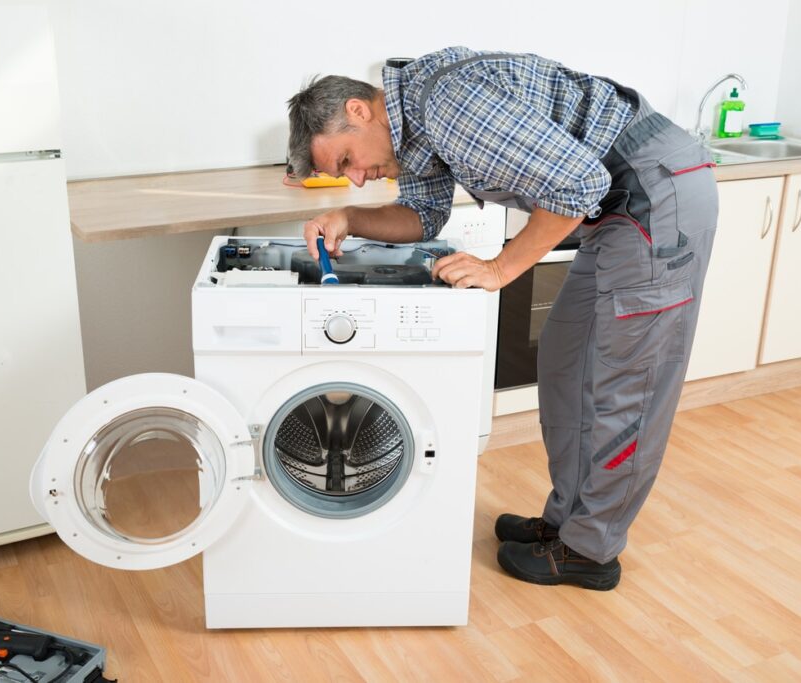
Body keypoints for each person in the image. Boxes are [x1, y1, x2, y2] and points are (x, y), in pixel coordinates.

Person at [286, 47, 718, 590]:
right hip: (614, 209)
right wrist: (349, 218)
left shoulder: (445, 101)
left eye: (346, 160)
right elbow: (422, 217)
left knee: (627, 387)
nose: (355, 178)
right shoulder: (415, 131)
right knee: (565, 362)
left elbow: (578, 183)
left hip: (657, 195)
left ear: (358, 111)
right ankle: (567, 522)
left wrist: (499, 268)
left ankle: (591, 550)